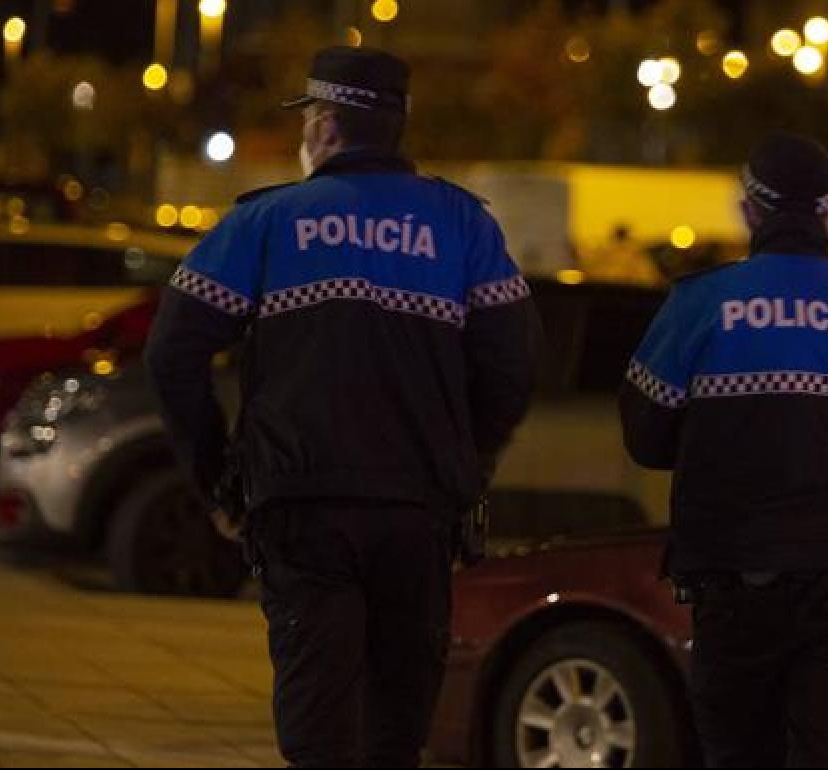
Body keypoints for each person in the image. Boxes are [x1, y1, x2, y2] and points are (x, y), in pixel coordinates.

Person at [145, 46, 539, 768]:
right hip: (418, 509)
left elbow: (172, 353)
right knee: (397, 725)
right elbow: (512, 363)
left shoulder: (264, 224)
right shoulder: (462, 226)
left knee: (318, 720)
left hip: (301, 505)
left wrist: (217, 480)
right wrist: (466, 462)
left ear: (324, 126)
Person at [618, 132, 828, 768]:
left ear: (750, 209)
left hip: (734, 577)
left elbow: (645, 435)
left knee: (737, 748)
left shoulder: (700, 305)